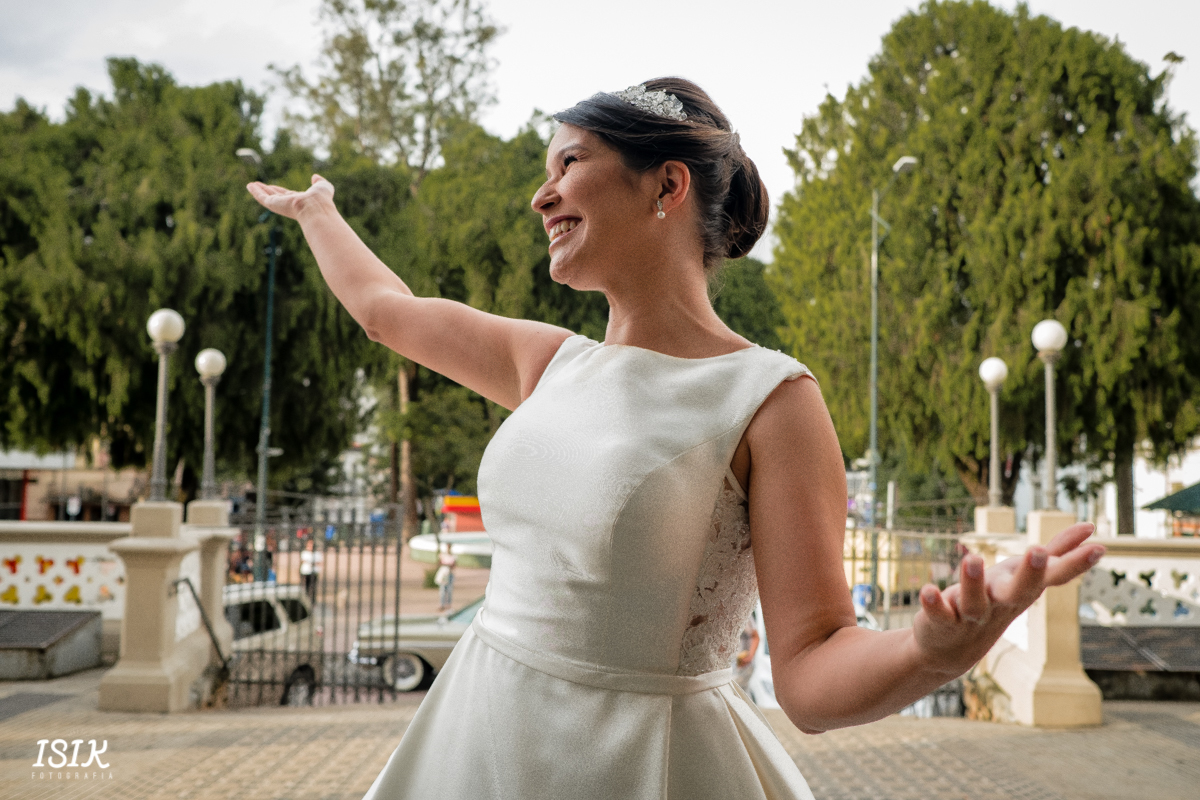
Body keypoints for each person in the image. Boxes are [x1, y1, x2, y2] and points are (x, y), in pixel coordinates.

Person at [247, 77, 1104, 799]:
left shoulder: (772, 397)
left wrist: (930, 650)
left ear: (666, 187)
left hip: (641, 764)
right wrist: (317, 211)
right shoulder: (544, 361)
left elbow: (809, 671)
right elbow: (384, 312)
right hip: (472, 737)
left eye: (569, 164)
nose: (541, 195)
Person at [435, 542, 457, 611]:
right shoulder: (443, 555)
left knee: (449, 590)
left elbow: (453, 565)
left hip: (449, 574)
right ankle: (442, 604)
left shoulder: (453, 556)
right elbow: (439, 563)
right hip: (444, 574)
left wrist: (446, 564)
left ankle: (448, 604)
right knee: (442, 590)